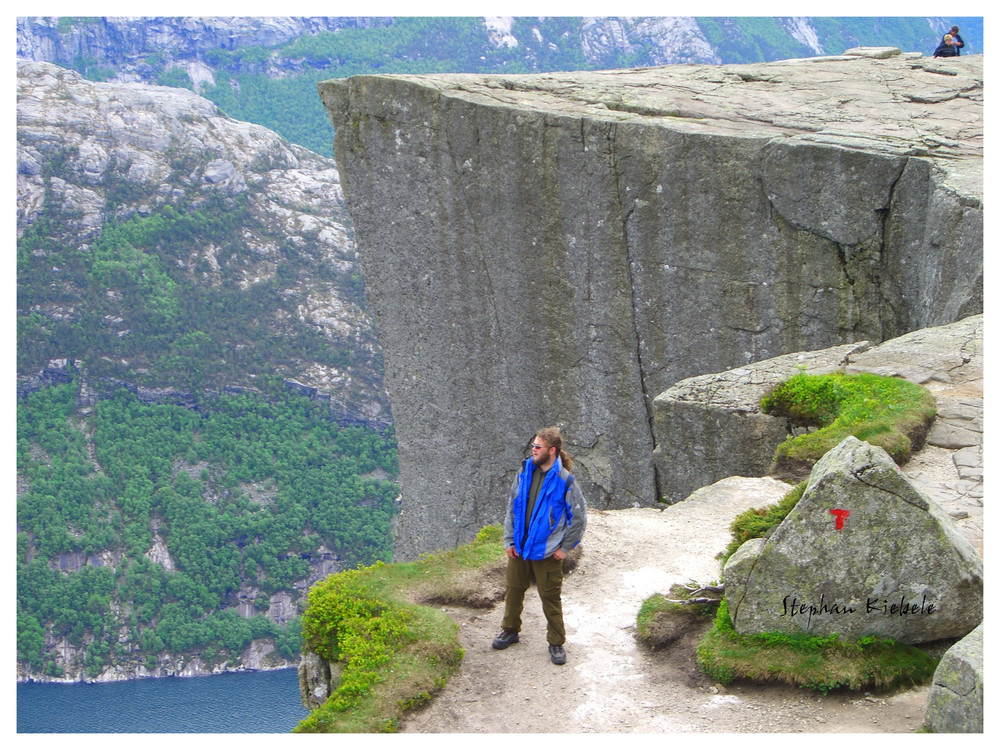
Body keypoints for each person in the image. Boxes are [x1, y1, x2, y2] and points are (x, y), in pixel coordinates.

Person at [492, 426, 587, 665]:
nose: (533, 450)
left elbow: (579, 518)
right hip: (520, 548)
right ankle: (510, 631)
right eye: (533, 446)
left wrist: (565, 548)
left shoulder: (565, 481)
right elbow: (512, 508)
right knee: (514, 590)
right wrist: (509, 541)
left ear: (552, 450)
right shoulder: (524, 471)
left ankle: (556, 643)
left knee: (550, 597)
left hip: (546, 552)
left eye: (538, 447)